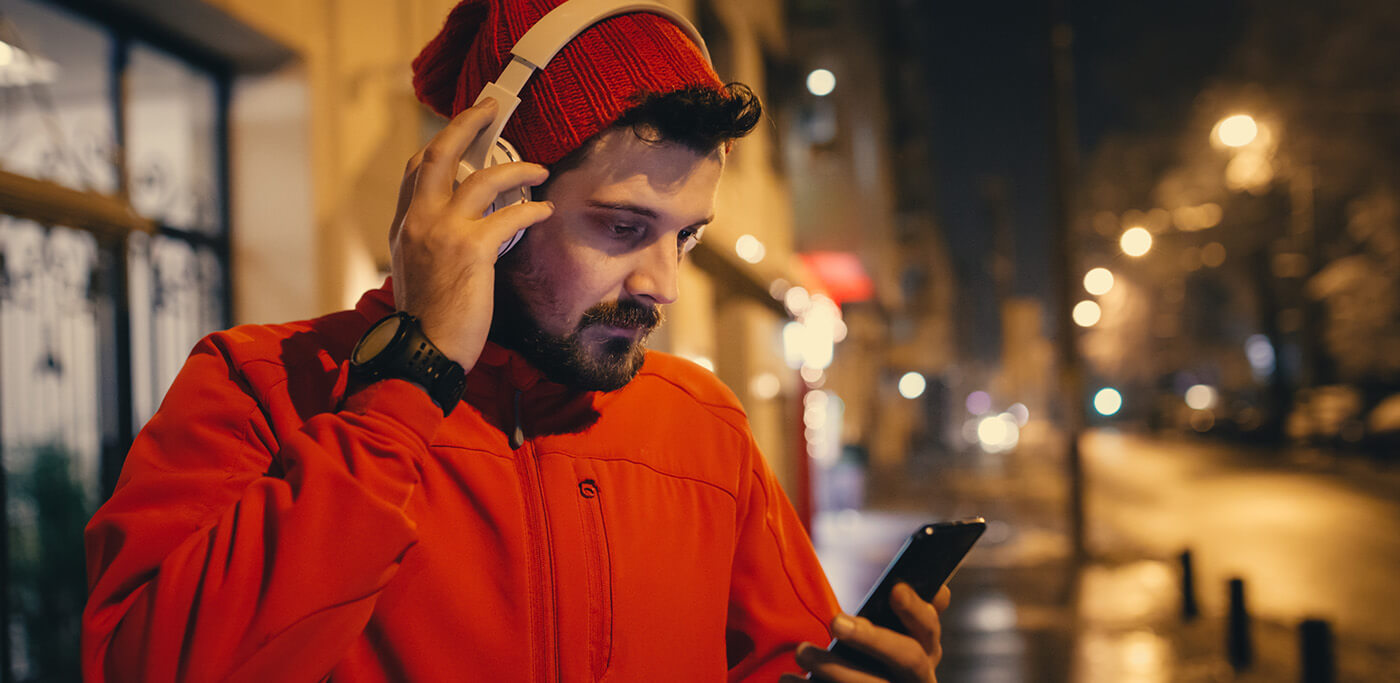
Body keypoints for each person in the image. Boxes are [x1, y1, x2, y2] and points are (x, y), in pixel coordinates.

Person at [81, 1, 952, 680]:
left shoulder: (703, 427)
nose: (663, 285)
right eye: (622, 228)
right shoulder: (259, 387)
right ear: (493, 195)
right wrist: (407, 384)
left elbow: (778, 662)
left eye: (684, 237)